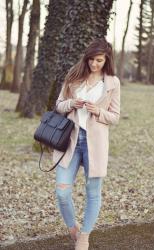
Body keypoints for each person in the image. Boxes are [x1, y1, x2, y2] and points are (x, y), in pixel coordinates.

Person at [53, 37, 120, 250]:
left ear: (106, 59)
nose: (94, 64)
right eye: (91, 59)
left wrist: (97, 111)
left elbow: (115, 117)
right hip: (70, 141)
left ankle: (84, 236)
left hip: (95, 144)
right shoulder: (74, 75)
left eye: (99, 60)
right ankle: (73, 228)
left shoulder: (112, 83)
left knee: (93, 192)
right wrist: (71, 103)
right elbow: (59, 105)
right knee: (62, 192)